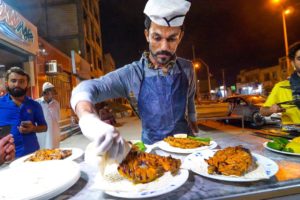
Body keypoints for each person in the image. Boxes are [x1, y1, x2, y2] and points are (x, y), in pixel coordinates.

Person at [70, 0, 199, 162]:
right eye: (156, 37)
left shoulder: (187, 68)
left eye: (172, 38)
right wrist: (88, 119)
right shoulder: (131, 74)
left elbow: (190, 97)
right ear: (147, 35)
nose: (164, 46)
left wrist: (193, 120)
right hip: (153, 151)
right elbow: (88, 87)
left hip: (187, 147)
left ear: (180, 37)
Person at [0, 67, 47, 157]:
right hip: (6, 157)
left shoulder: (34, 105)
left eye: (21, 81)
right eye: (13, 81)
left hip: (32, 155)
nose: (17, 84)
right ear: (7, 83)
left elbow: (44, 127)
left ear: (27, 84)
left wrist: (33, 128)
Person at [260, 41, 300, 125]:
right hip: (293, 136)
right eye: (299, 58)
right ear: (293, 63)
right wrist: (271, 110)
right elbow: (262, 111)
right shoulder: (281, 87)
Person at [36, 82, 60, 149]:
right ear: (44, 93)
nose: (50, 95)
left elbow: (57, 118)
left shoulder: (56, 104)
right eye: (48, 93)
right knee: (43, 150)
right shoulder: (37, 103)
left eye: (52, 93)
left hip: (54, 132)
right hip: (42, 134)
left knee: (55, 150)